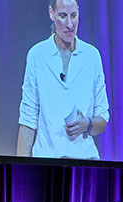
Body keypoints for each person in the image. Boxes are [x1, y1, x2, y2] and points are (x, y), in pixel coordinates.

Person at [16, 0, 110, 159]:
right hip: (46, 162)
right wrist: (19, 170)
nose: (70, 24)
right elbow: (28, 119)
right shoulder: (37, 55)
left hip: (85, 162)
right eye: (63, 16)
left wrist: (86, 124)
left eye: (74, 16)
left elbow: (102, 119)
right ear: (51, 13)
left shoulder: (92, 56)